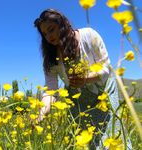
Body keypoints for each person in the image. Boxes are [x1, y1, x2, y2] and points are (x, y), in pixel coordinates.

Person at [34, 8, 132, 149]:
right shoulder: (50, 60)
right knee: (83, 142)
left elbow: (105, 68)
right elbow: (51, 91)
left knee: (111, 139)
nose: (49, 36)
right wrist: (41, 114)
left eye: (51, 29)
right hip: (77, 98)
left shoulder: (89, 36)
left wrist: (85, 78)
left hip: (103, 93)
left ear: (62, 24)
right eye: (44, 34)